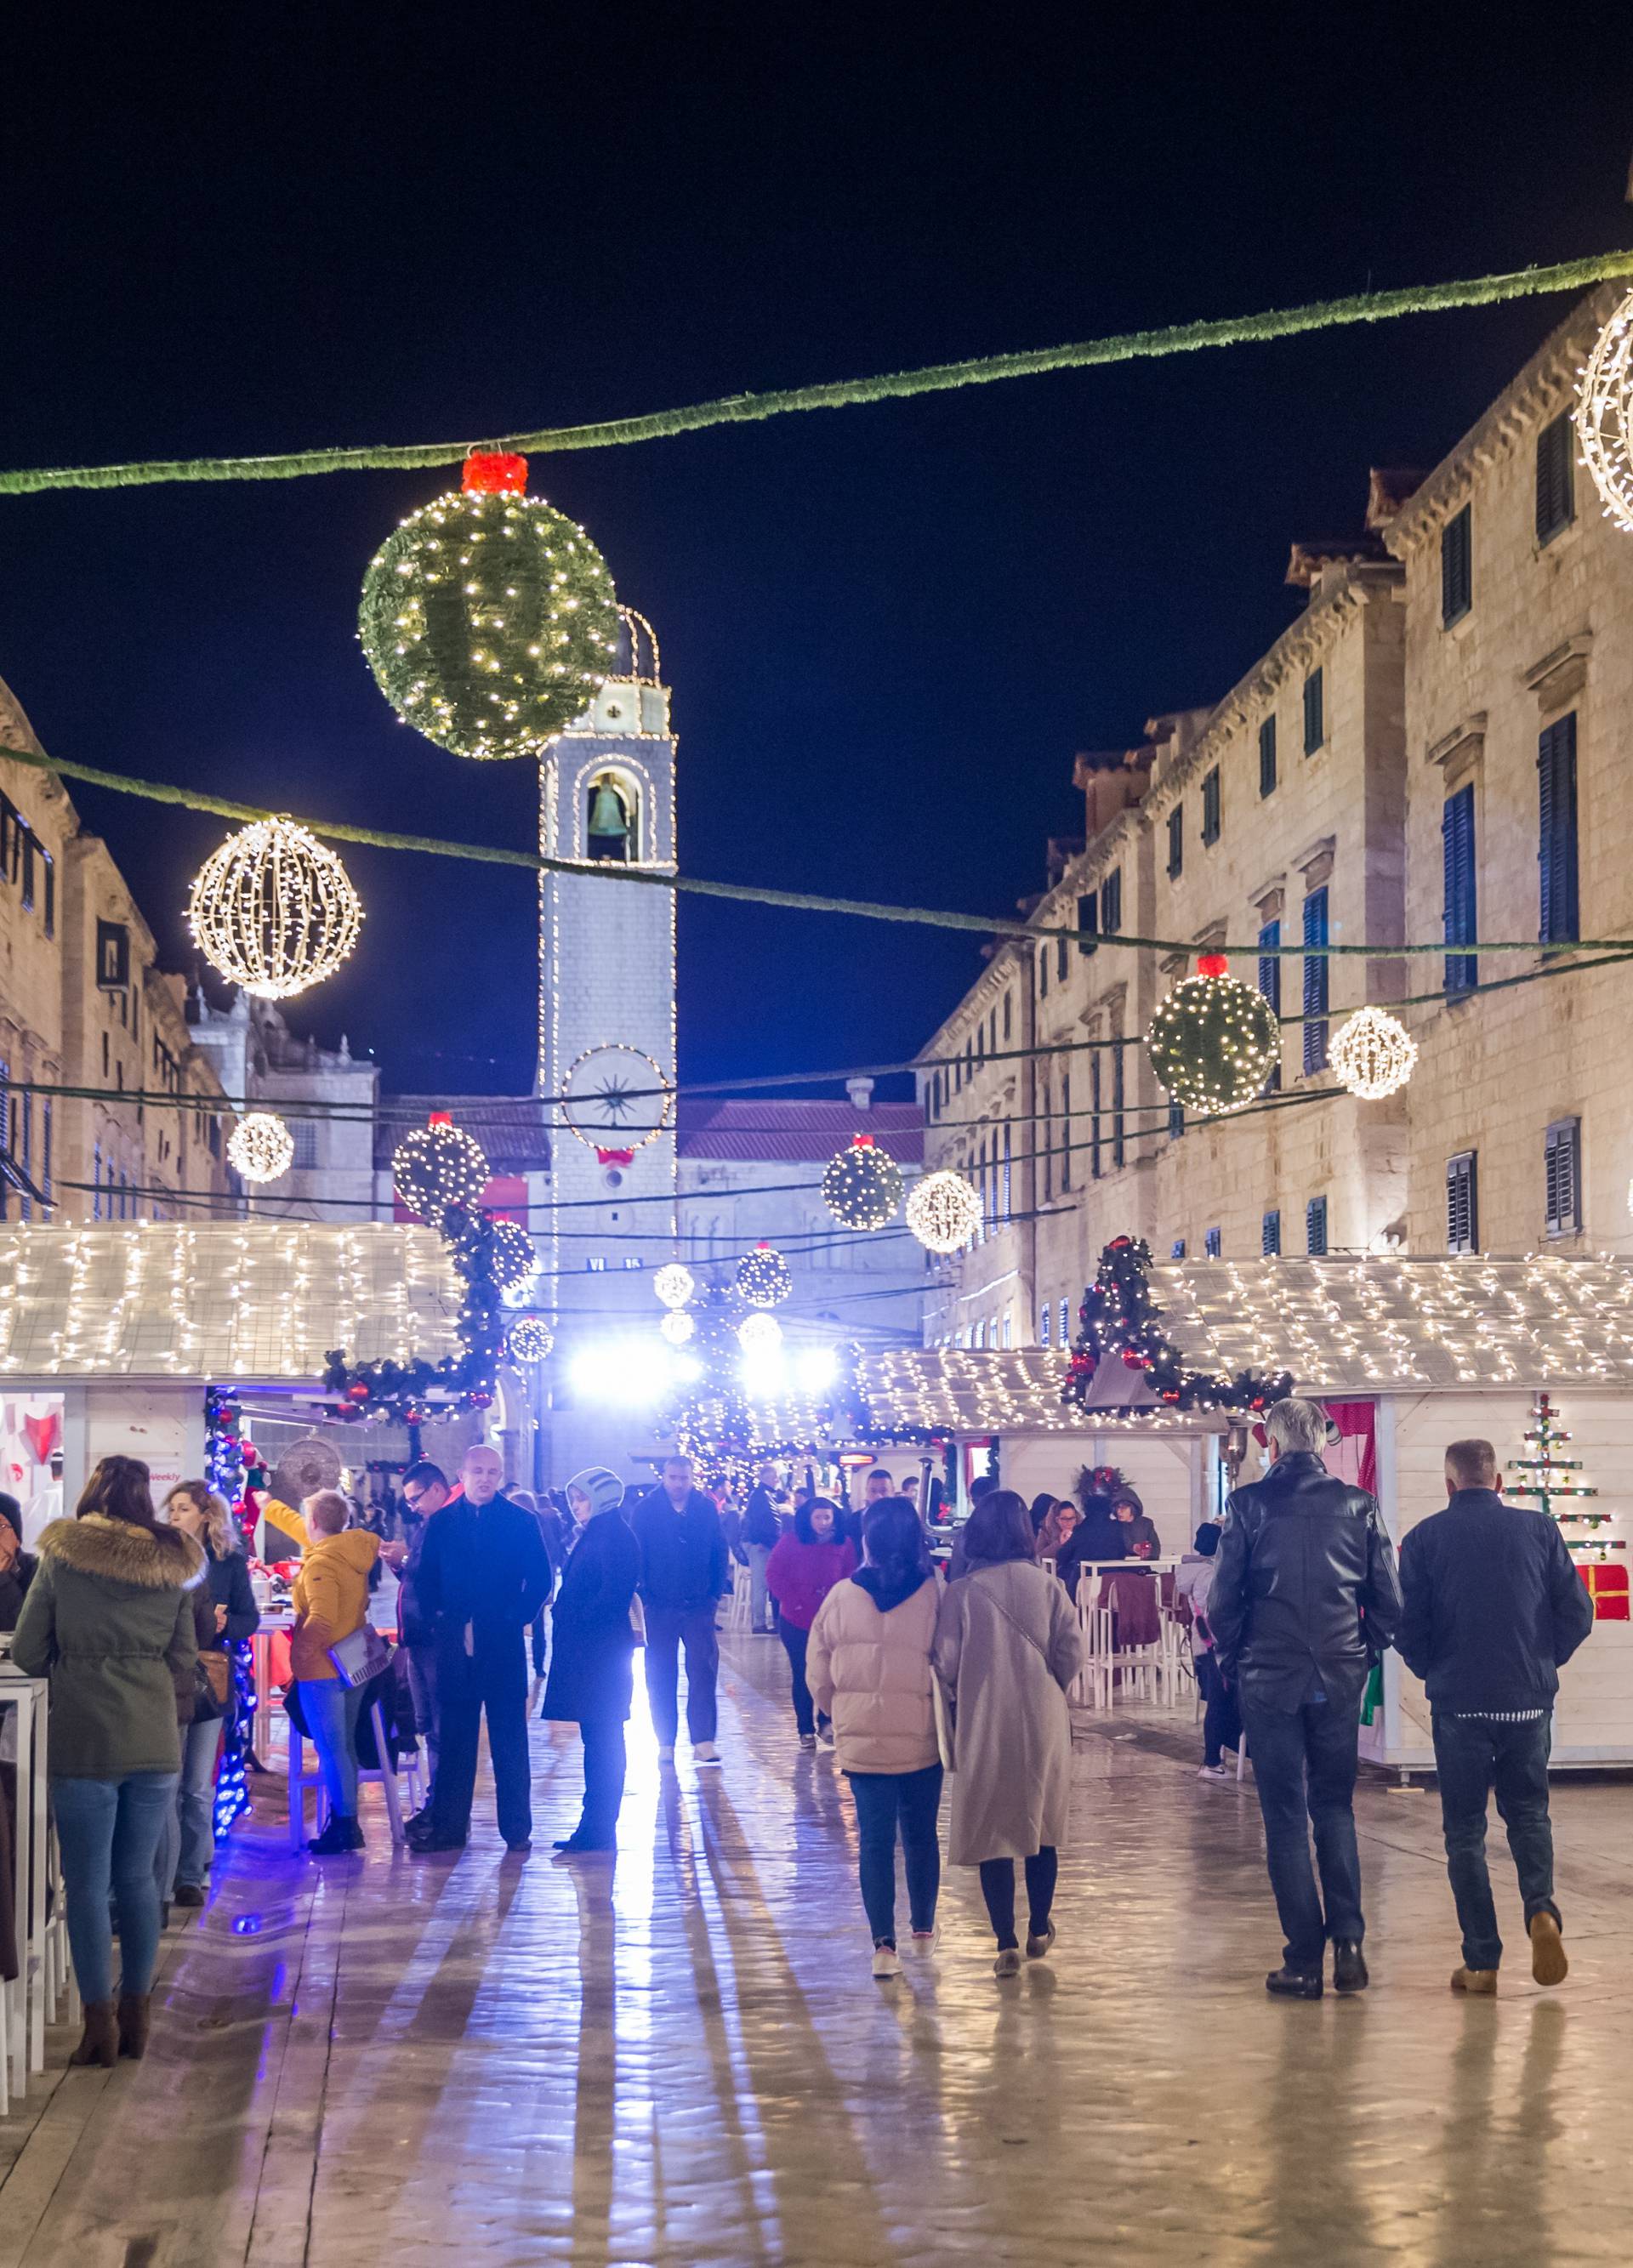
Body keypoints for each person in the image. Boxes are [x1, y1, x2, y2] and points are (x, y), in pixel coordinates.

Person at [1209, 1395, 1403, 2000]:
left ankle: (1303, 1959)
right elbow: (1389, 1602)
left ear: (1270, 1441)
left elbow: (1223, 1602)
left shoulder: (1246, 1505)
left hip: (1269, 1677)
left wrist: (1234, 1660)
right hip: (1339, 1675)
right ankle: (1349, 1943)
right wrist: (1362, 1651)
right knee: (1335, 1807)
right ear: (1321, 1439)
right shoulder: (1359, 1505)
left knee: (1286, 1816)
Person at [10, 1455, 202, 2066]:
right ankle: (137, 2013)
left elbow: (29, 1648)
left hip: (84, 1739)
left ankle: (98, 2027)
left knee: (87, 1885)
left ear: (92, 1493)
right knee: (139, 1878)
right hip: (154, 1740)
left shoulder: (63, 1558)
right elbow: (184, 1656)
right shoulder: (171, 1564)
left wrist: (75, 1668)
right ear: (147, 1500)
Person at [1398, 1437, 1593, 1995]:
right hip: (1528, 1699)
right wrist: (1540, 1658)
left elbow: (1408, 1626)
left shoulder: (1424, 1538)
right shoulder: (1539, 1530)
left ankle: (1482, 1961)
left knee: (1465, 1832)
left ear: (1450, 1484)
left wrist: (1433, 1667)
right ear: (1500, 1481)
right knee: (1529, 1814)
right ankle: (1542, 1911)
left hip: (1459, 1702)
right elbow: (1578, 1612)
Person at [934, 1490, 1084, 1977]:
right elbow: (1071, 1651)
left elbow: (947, 1663)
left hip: (985, 1717)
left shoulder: (962, 1592)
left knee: (993, 1830)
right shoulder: (1048, 1586)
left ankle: (1005, 1942)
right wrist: (1049, 1685)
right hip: (1042, 1716)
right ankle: (1040, 1926)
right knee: (1041, 1826)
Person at [807, 1499, 943, 1979]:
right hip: (922, 1738)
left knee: (875, 1841)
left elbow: (818, 1668)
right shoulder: (933, 1594)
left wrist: (838, 1710)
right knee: (921, 1834)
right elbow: (951, 1661)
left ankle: (884, 1946)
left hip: (862, 1743)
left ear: (867, 1539)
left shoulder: (842, 1595)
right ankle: (923, 1930)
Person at [409, 1446, 551, 1853]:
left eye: (492, 1471)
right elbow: (423, 1578)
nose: (485, 1478)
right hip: (455, 1643)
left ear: (501, 1475)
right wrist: (441, 1618)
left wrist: (515, 1617)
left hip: (502, 1641)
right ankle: (451, 1828)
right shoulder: (442, 1523)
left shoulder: (521, 1521)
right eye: (477, 1471)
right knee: (455, 1738)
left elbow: (540, 1580)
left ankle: (517, 1829)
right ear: (462, 1475)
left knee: (510, 1738)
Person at [159, 1481, 259, 1903]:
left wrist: (223, 1625)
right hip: (166, 1676)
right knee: (169, 1779)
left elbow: (248, 1618)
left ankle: (192, 1873)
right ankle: (166, 1874)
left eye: (183, 1509)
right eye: (172, 1509)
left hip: (209, 1675)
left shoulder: (227, 1561)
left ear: (205, 1515)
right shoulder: (160, 1560)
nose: (174, 1516)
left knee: (198, 1784)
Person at [542, 1468, 642, 1855]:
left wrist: (571, 1616)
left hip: (600, 1655)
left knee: (603, 1740)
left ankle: (599, 1826)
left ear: (601, 1498)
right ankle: (595, 1824)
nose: (575, 1507)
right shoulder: (603, 1533)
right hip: (595, 1654)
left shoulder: (612, 1536)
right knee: (598, 1739)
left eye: (581, 1499)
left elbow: (612, 1596)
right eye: (572, 1500)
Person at [290, 1490, 381, 1856]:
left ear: (312, 1522)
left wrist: (298, 1655)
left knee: (331, 1748)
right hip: (352, 1661)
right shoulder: (351, 1555)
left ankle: (345, 1824)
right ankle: (346, 1818)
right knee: (343, 1747)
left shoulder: (321, 1564)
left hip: (322, 1667)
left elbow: (322, 1619)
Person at [631, 1453, 729, 1765]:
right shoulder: (646, 1510)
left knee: (703, 1670)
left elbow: (718, 1550)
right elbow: (637, 1552)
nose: (678, 1484)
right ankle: (665, 1742)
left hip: (699, 1604)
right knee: (660, 1673)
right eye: (673, 1477)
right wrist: (644, 1595)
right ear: (664, 1476)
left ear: (692, 1478)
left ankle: (703, 1739)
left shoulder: (704, 1509)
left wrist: (714, 1593)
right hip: (659, 1605)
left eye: (684, 1478)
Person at [380, 1458, 452, 1807]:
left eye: (416, 1498)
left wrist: (406, 1560)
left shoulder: (447, 1526)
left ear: (437, 1489)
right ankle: (435, 1799)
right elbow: (417, 1581)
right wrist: (401, 1564)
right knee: (427, 1723)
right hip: (418, 1640)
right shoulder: (429, 1524)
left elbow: (441, 1581)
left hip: (435, 1640)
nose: (412, 1507)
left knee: (439, 1725)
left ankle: (441, 1802)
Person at [765, 1497, 856, 1749]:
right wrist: (793, 1601)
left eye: (827, 1517)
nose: (823, 1523)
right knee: (803, 1672)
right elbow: (774, 1573)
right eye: (818, 1517)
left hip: (831, 1618)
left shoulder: (844, 1544)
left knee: (829, 1671)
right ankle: (804, 1728)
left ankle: (826, 1722)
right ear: (808, 1518)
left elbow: (850, 1573)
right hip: (797, 1619)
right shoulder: (790, 1542)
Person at [1173, 1523, 1238, 1778]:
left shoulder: (1192, 1571)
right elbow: (1221, 1609)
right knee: (1220, 1702)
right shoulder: (1209, 1575)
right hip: (1218, 1644)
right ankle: (1212, 1761)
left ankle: (1214, 1759)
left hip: (1205, 1644)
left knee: (1216, 1700)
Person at [741, 1464, 782, 1634]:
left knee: (762, 1585)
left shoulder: (760, 1495)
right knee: (761, 1585)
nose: (777, 1480)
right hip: (761, 1545)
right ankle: (758, 1623)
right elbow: (762, 1523)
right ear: (765, 1478)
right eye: (774, 1477)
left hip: (760, 1543)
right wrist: (765, 1541)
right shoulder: (762, 1496)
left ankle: (760, 1622)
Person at [946, 1470, 999, 1581]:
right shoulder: (1014, 1529)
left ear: (974, 1501)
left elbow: (956, 1574)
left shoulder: (966, 1533)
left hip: (973, 1591)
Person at [0, 1492, 37, 1629]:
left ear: (17, 1538)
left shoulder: (37, 1571)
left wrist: (3, 1578)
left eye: (0, 1527)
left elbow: (24, 1629)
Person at [1110, 1486, 1161, 1560]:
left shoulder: (1146, 1524)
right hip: (1120, 1568)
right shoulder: (1114, 1526)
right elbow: (1114, 1549)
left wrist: (1148, 1552)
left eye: (1123, 1508)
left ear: (1133, 1508)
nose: (1119, 1511)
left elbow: (1156, 1548)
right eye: (1117, 1508)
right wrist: (1133, 1548)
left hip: (1142, 1568)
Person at [1034, 1498, 1081, 1565]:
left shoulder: (1081, 1530)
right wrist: (1059, 1543)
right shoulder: (1046, 1531)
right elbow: (1038, 1557)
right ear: (1057, 1520)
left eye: (1072, 1518)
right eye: (1064, 1519)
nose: (1069, 1522)